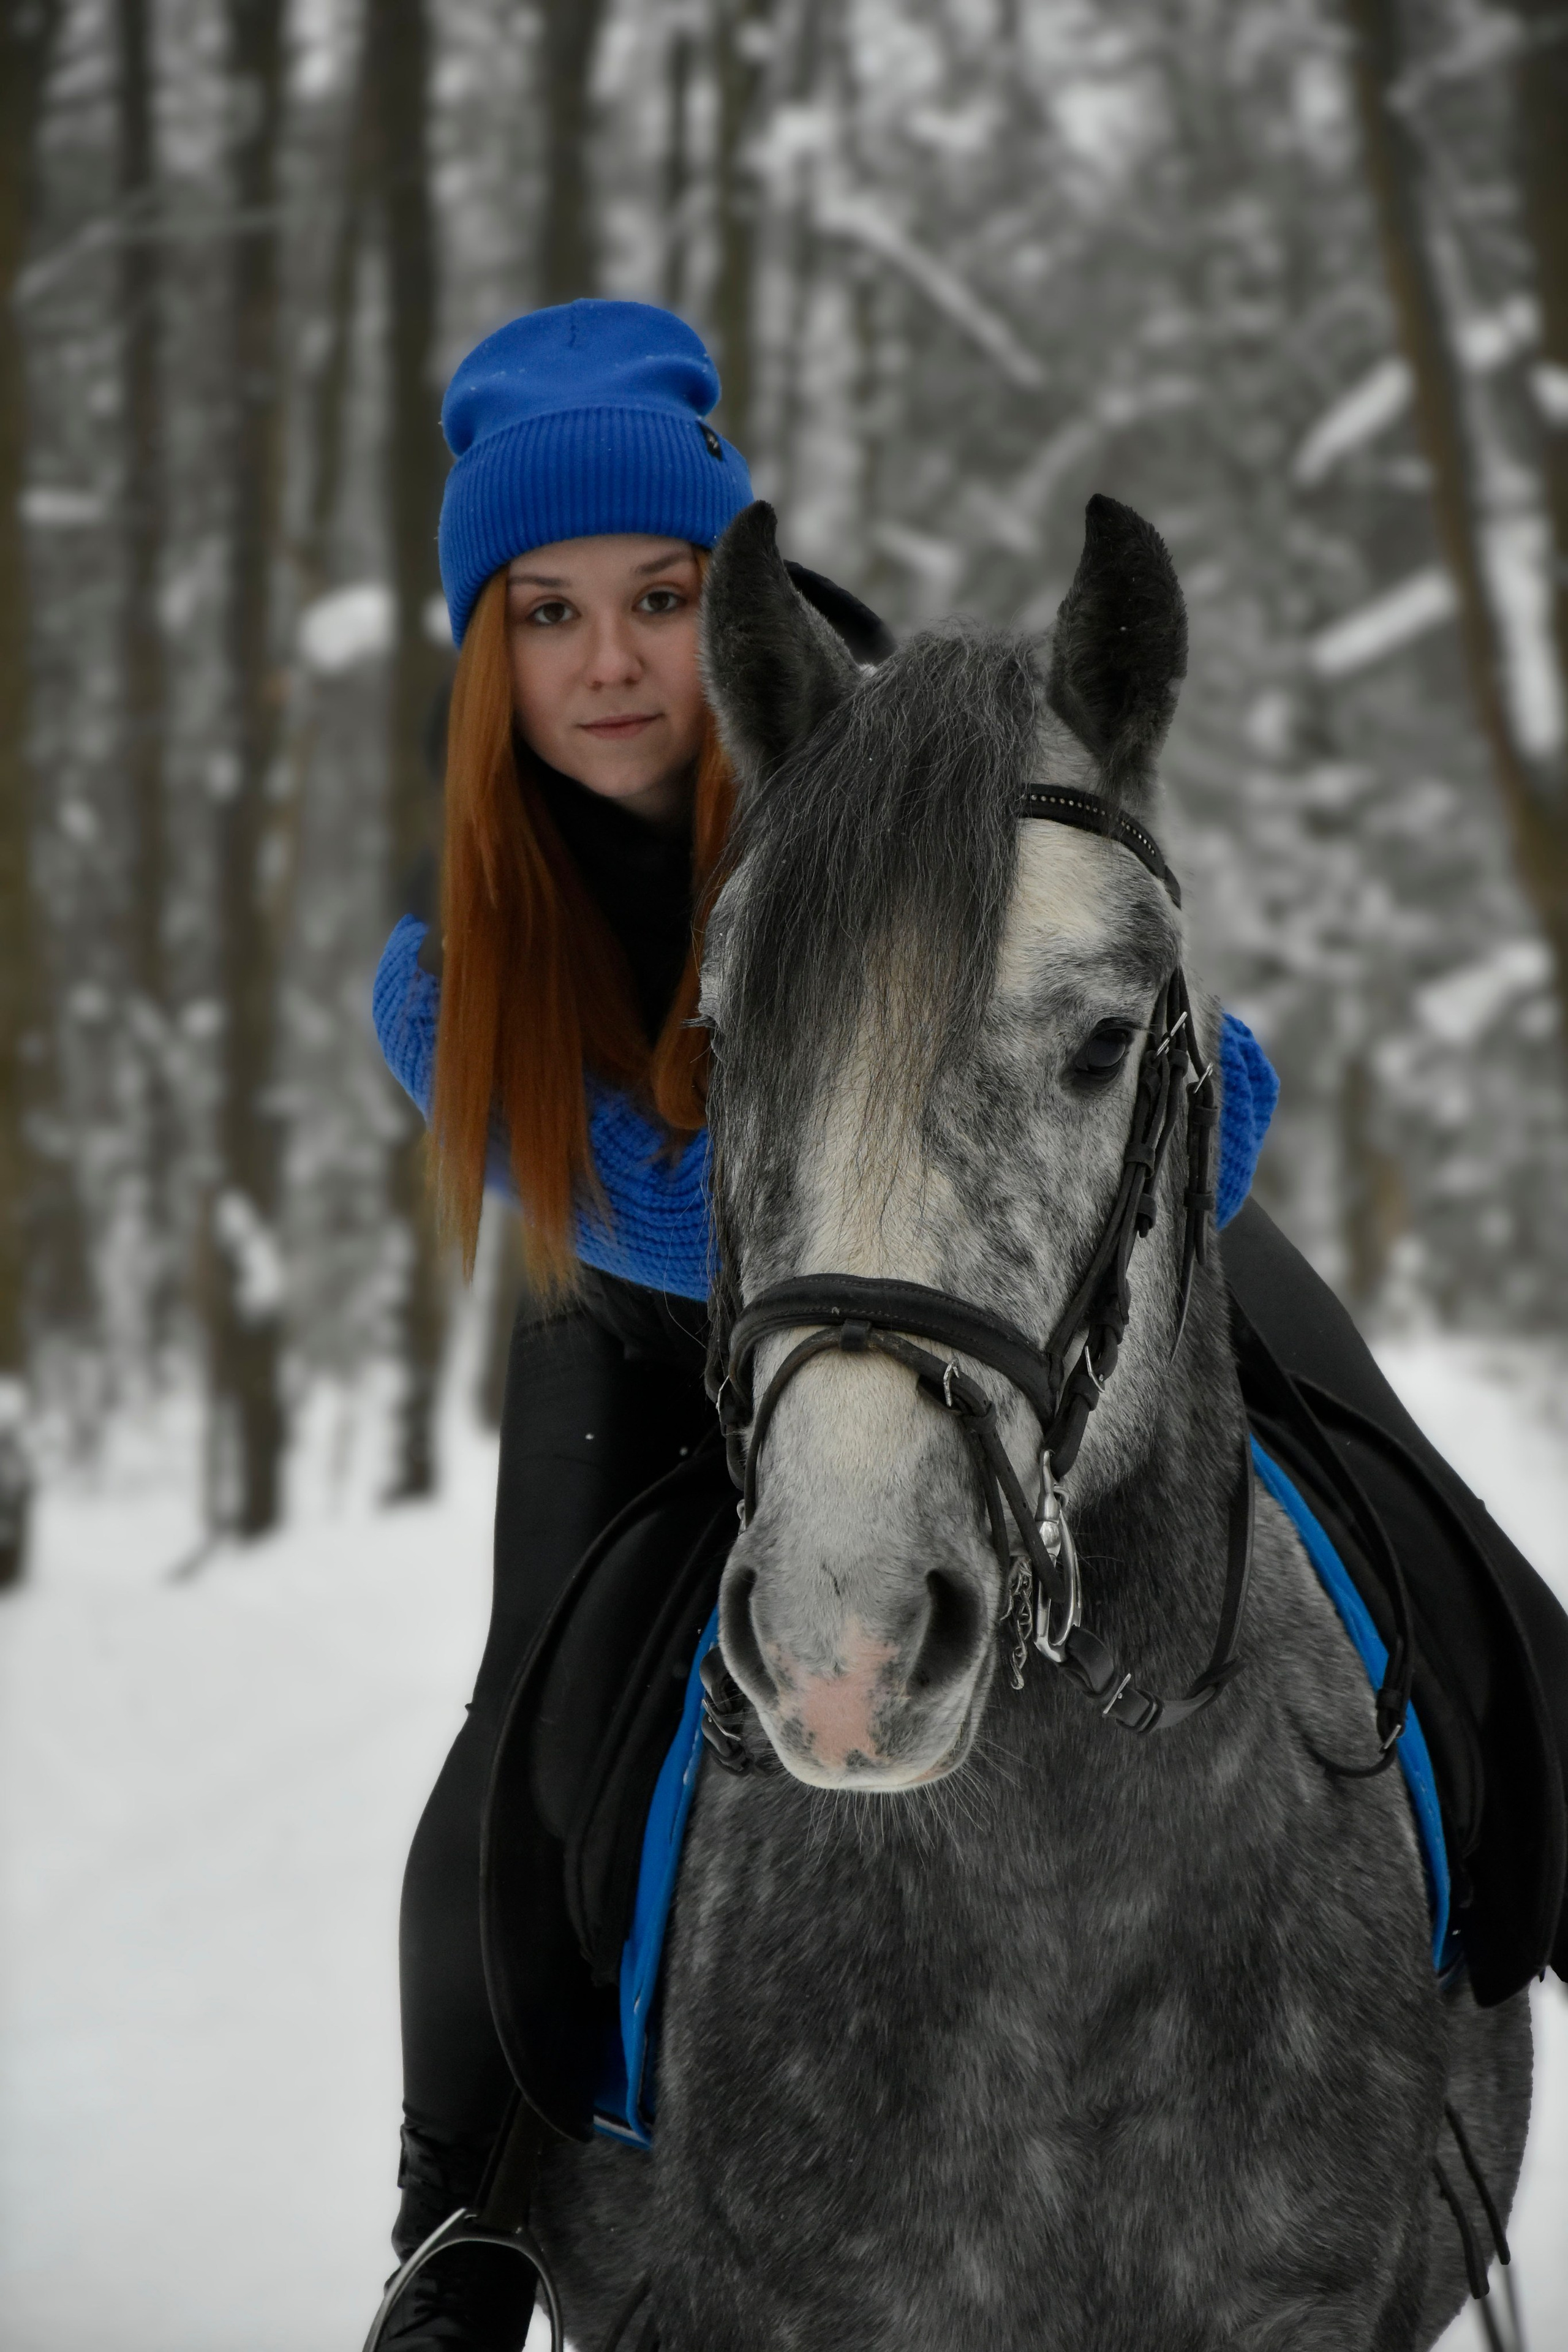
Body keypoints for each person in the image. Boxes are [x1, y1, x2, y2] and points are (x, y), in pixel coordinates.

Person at [368, 299, 1565, 2350]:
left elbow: (1111, 981)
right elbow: (633, 1193)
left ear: (720, 591)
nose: (614, 662)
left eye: (657, 598)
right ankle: (464, 2201)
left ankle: (1521, 1855)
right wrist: (835, 1225)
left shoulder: (872, 745)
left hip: (1048, 1238)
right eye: (546, 618)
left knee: (1407, 1499)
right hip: (679, 1293)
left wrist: (1143, 1154)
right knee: (523, 1717)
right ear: (487, 657)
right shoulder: (453, 957)